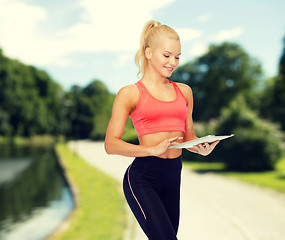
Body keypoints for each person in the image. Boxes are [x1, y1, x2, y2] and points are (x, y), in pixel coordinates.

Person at [105, 20, 219, 240]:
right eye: (167, 55)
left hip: (173, 175)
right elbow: (110, 144)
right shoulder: (129, 93)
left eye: (177, 57)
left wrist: (202, 149)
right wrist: (151, 150)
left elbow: (189, 138)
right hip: (143, 177)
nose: (173, 62)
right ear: (148, 53)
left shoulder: (184, 92)